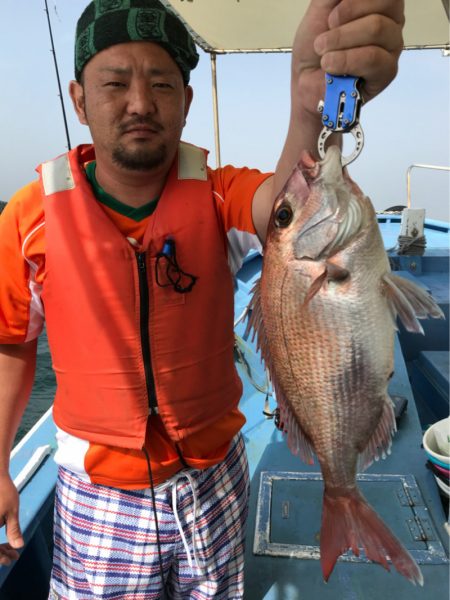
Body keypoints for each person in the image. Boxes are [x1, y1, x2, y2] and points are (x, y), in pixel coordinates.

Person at [0, 0, 404, 598]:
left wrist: (306, 104)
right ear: (80, 99)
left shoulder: (218, 197)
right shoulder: (28, 219)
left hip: (213, 481)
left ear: (186, 102)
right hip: (97, 494)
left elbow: (282, 216)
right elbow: (12, 342)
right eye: (114, 83)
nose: (139, 102)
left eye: (161, 83)